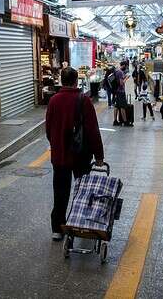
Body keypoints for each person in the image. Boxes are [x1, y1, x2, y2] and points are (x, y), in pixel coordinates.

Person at [46, 67, 104, 241]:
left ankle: (57, 229)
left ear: (62, 81)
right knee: (82, 191)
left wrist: (56, 145)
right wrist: (99, 155)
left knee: (60, 192)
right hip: (81, 155)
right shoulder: (83, 100)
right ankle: (80, 224)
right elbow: (92, 130)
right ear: (75, 81)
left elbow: (48, 129)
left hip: (60, 156)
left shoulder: (54, 100)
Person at [113, 61, 131, 127]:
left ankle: (115, 121)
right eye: (126, 66)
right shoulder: (120, 72)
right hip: (120, 91)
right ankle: (125, 122)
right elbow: (121, 83)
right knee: (122, 107)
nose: (126, 68)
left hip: (116, 91)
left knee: (116, 106)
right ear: (123, 65)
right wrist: (126, 78)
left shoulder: (116, 71)